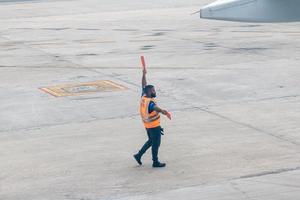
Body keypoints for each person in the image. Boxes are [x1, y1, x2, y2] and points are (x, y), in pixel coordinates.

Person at [134, 67, 171, 168]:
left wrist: (144, 74)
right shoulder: (149, 102)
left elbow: (143, 85)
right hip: (153, 126)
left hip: (147, 125)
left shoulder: (144, 96)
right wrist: (164, 111)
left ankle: (138, 155)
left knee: (151, 141)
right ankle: (155, 162)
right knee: (156, 143)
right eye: (153, 90)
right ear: (150, 92)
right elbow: (154, 108)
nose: (155, 92)